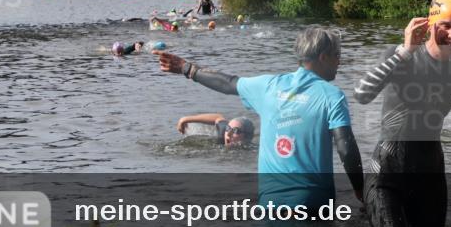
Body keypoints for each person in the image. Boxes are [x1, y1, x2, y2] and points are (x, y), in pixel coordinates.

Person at [154, 26, 363, 208]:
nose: (339, 61)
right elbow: (345, 147)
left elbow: (227, 83)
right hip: (313, 200)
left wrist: (187, 68)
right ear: (323, 57)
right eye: (337, 55)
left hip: (270, 202)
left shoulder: (267, 86)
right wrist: (361, 191)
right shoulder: (332, 96)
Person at [353, 0, 451, 227]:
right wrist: (405, 51)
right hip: (388, 174)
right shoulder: (400, 56)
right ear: (430, 24)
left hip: (430, 174)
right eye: (446, 26)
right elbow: (362, 94)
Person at [175, 113, 255, 148]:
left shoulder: (252, 150)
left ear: (246, 136)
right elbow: (218, 117)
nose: (228, 134)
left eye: (235, 131)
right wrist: (185, 119)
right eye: (228, 128)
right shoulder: (223, 133)